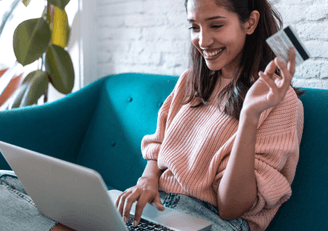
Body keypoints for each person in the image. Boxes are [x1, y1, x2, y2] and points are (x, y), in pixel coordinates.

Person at [115, 0, 304, 231]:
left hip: (211, 220)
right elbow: (158, 146)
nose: (202, 41)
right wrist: (146, 180)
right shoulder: (190, 81)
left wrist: (250, 116)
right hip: (158, 208)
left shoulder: (281, 102)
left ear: (250, 22)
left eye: (216, 26)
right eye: (194, 27)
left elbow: (231, 208)